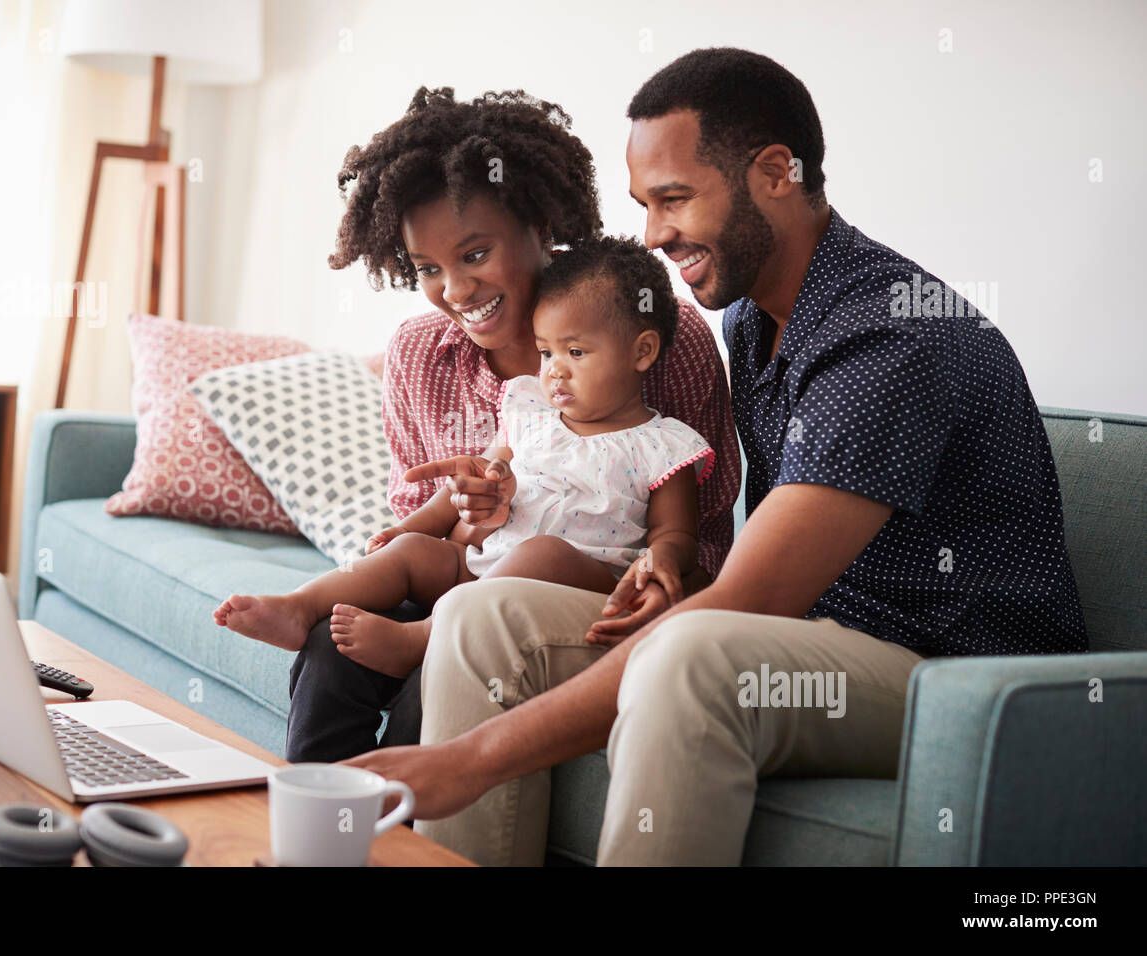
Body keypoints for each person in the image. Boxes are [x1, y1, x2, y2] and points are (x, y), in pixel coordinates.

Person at [345, 47, 1088, 866]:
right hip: (818, 635)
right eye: (645, 204)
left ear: (775, 172)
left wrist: (467, 761)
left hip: (963, 678)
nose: (655, 234)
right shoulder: (754, 318)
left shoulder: (888, 336)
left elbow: (754, 597)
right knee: (484, 615)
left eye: (673, 200)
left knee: (690, 658)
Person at [281, 86, 742, 763]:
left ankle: (403, 842)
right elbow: (425, 531)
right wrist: (473, 519)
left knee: (441, 681)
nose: (456, 291)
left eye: (474, 255)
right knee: (328, 650)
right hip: (463, 575)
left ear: (540, 223)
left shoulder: (655, 331)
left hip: (571, 597)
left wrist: (656, 577)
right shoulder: (419, 355)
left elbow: (702, 545)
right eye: (429, 269)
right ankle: (316, 830)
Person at [214, 236, 717, 677]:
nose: (555, 372)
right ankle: (300, 606)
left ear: (642, 352)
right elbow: (477, 481)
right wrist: (412, 529)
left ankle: (422, 640)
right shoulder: (528, 412)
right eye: (546, 353)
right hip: (483, 564)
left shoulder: (664, 444)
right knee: (413, 555)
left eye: (576, 353)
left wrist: (661, 565)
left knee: (542, 551)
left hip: (578, 581)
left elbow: (676, 534)